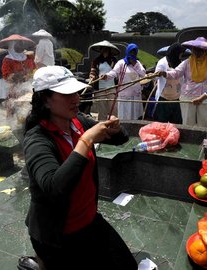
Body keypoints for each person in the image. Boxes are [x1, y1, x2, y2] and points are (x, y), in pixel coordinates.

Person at [23, 65, 137, 269]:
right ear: (46, 100)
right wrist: (86, 140)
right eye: (67, 94)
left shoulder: (78, 122)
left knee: (127, 265)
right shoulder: (37, 139)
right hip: (57, 233)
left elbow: (121, 139)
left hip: (89, 220)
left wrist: (117, 130)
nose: (76, 98)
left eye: (76, 91)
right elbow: (54, 187)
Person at [159, 37, 207, 127]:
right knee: (188, 123)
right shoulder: (187, 62)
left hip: (204, 98)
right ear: (192, 49)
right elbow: (176, 73)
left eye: (200, 50)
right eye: (195, 49)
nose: (197, 52)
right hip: (188, 97)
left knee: (205, 122)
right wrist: (165, 73)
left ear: (204, 50)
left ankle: (203, 140)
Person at [102, 43, 146, 120]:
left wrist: (134, 64)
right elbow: (114, 72)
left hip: (136, 94)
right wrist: (106, 76)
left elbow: (143, 74)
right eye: (131, 52)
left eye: (134, 52)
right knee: (125, 116)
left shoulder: (137, 63)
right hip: (125, 95)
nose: (133, 53)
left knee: (135, 116)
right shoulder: (121, 63)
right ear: (128, 51)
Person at [0, 34, 37, 119]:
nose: (21, 46)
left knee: (28, 109)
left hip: (28, 88)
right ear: (12, 46)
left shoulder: (28, 57)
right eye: (18, 44)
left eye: (22, 44)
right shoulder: (7, 60)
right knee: (13, 108)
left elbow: (34, 70)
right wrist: (21, 76)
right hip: (14, 89)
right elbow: (6, 76)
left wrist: (30, 75)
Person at [153, 43, 187, 124]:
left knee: (176, 124)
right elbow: (156, 77)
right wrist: (156, 74)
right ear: (176, 53)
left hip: (177, 98)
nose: (181, 56)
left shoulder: (181, 63)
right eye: (180, 54)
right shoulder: (162, 63)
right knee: (161, 123)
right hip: (164, 98)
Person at [88, 40, 120, 120]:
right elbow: (93, 71)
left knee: (113, 108)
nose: (104, 50)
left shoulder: (114, 61)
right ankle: (102, 126)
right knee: (102, 110)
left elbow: (117, 73)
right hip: (100, 88)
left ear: (109, 50)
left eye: (106, 49)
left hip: (111, 87)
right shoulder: (96, 61)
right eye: (103, 49)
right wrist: (92, 76)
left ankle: (114, 125)